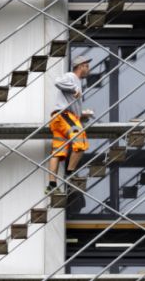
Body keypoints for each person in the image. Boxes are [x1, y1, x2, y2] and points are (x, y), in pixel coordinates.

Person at [46, 55, 93, 194]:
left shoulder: (76, 82)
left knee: (58, 152)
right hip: (64, 116)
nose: (88, 69)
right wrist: (74, 89)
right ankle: (69, 173)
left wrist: (82, 115)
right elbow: (58, 81)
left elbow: (71, 104)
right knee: (81, 142)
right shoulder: (72, 77)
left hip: (59, 119)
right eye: (87, 66)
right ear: (81, 66)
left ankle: (52, 184)